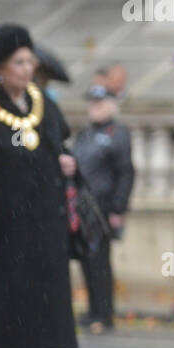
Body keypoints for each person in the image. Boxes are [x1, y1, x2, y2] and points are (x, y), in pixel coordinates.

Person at [0, 24, 78, 348]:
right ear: (1, 68)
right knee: (8, 294)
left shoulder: (42, 103)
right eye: (19, 62)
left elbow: (59, 145)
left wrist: (66, 162)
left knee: (38, 292)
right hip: (5, 223)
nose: (28, 69)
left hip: (43, 219)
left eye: (30, 61)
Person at [72, 84, 135, 333]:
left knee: (100, 261)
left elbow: (126, 174)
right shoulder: (85, 134)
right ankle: (92, 310)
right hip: (83, 207)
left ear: (111, 105)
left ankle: (104, 313)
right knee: (86, 260)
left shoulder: (118, 133)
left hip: (103, 208)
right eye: (92, 103)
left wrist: (118, 209)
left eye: (99, 103)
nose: (94, 108)